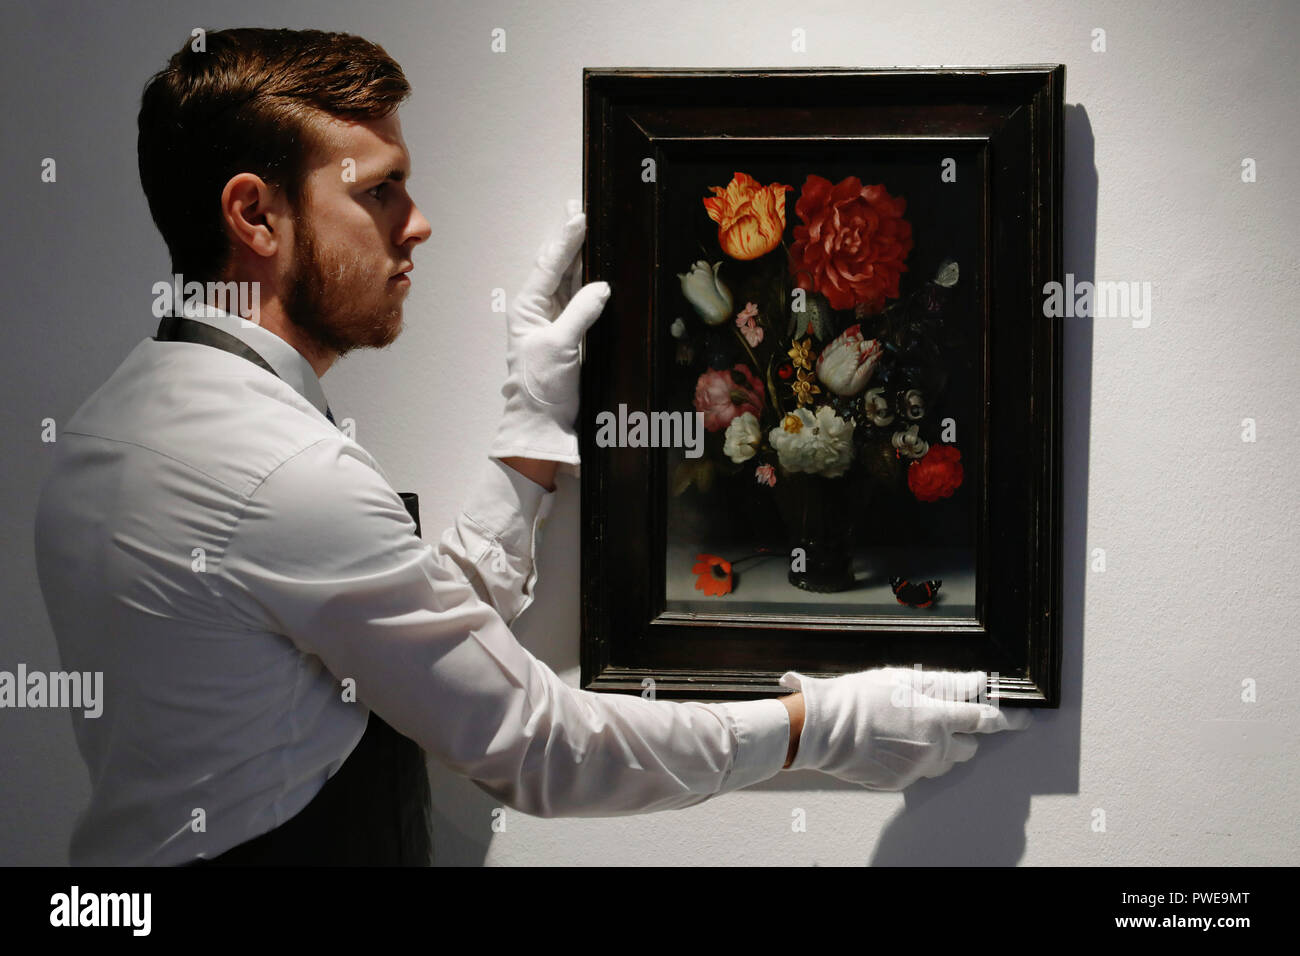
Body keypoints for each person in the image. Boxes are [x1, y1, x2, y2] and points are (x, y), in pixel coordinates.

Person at [32, 28, 1031, 867]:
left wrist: (528, 427)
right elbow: (538, 743)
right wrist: (818, 727)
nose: (416, 225)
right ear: (255, 213)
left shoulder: (122, 423)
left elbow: (396, 633)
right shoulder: (278, 472)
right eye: (379, 190)